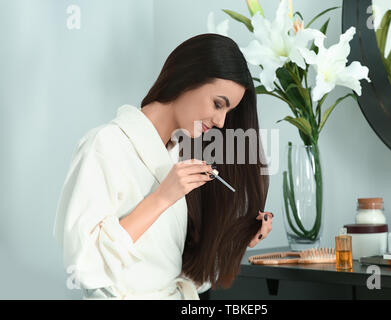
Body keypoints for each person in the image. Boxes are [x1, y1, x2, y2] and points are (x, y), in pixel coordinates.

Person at [53, 33, 273, 300]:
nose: (221, 122)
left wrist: (237, 243)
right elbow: (84, 268)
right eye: (218, 104)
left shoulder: (177, 157)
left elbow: (170, 273)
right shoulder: (105, 145)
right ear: (188, 77)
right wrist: (161, 198)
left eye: (227, 112)